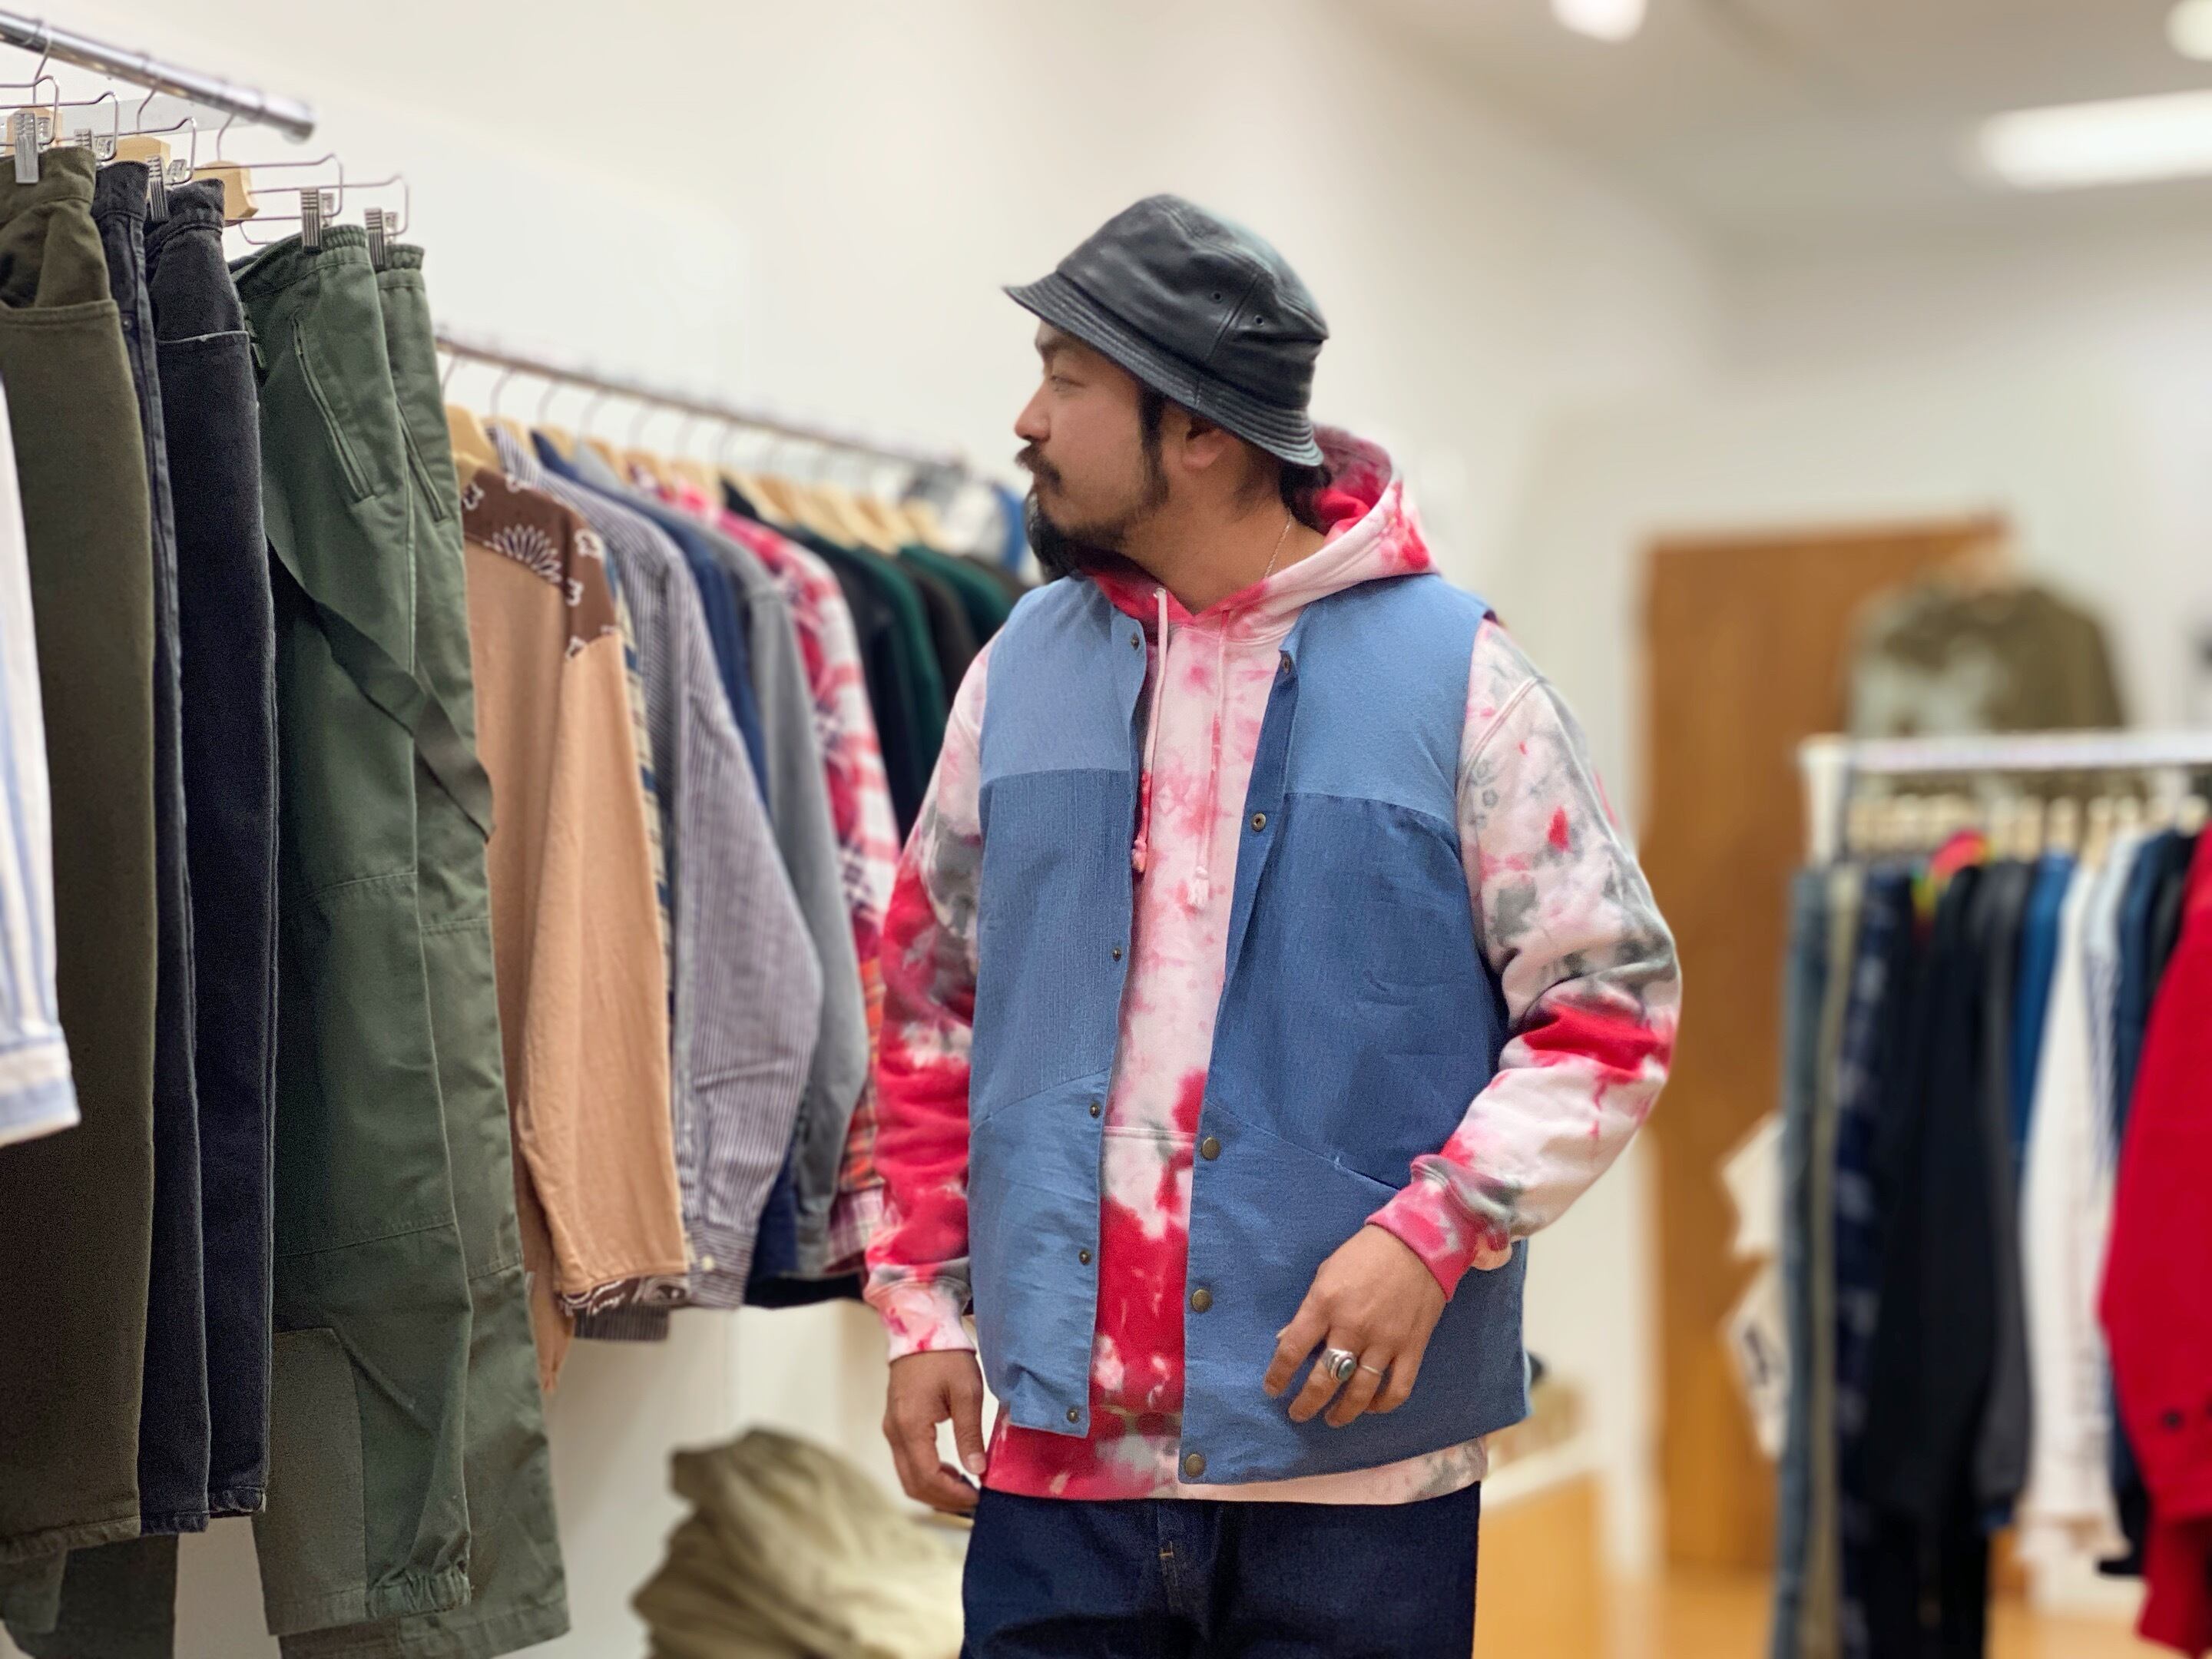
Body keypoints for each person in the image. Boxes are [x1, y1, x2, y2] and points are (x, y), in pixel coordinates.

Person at [864, 194, 1681, 1656]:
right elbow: (929, 1004)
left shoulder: (1464, 682)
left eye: (1066, 378)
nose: (1027, 420)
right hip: (1062, 1470)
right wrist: (924, 1310)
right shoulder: (1020, 671)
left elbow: (1610, 1010)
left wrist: (1434, 1235)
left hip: (1351, 1479)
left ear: (1198, 430)